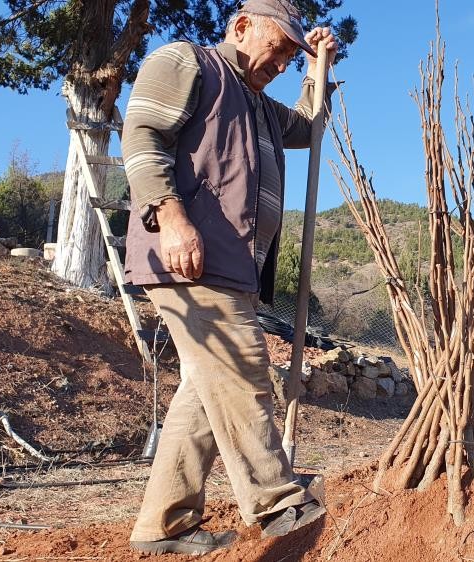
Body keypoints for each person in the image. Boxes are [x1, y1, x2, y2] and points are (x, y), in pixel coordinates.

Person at [121, 0, 336, 555]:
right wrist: (169, 218)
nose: (284, 63)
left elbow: (310, 129)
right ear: (241, 26)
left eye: (293, 56)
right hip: (191, 256)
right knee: (242, 369)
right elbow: (142, 134)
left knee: (202, 396)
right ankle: (277, 501)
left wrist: (320, 69)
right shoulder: (187, 63)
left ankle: (162, 526)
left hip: (235, 265)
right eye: (280, 48)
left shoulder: (262, 107)